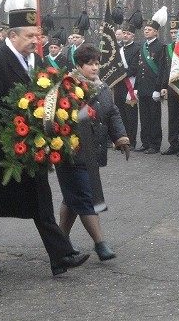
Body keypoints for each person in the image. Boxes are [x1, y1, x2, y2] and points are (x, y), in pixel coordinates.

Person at [0, 0, 88, 276]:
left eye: (37, 36)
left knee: (41, 201)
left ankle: (59, 257)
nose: (35, 41)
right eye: (30, 36)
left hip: (32, 146)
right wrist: (19, 121)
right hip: (5, 149)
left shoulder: (36, 62)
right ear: (12, 36)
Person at [56, 44, 130, 261]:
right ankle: (100, 244)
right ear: (79, 65)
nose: (95, 67)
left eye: (97, 63)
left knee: (72, 199)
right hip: (71, 153)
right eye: (90, 64)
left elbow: (112, 112)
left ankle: (59, 242)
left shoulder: (103, 87)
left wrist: (120, 138)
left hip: (92, 154)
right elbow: (60, 117)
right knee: (87, 198)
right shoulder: (67, 87)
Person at [136, 7, 169, 153]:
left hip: (153, 88)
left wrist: (158, 88)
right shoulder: (143, 47)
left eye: (149, 30)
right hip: (142, 87)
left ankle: (155, 144)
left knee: (154, 117)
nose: (146, 31)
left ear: (156, 32)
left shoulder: (161, 47)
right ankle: (145, 142)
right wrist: (136, 86)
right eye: (145, 29)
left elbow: (162, 69)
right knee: (143, 117)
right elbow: (139, 67)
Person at [115, 11, 142, 151]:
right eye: (123, 33)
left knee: (130, 115)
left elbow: (134, 67)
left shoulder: (137, 48)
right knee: (119, 114)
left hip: (130, 84)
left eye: (128, 34)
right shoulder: (118, 49)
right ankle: (122, 140)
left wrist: (121, 74)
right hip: (119, 85)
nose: (125, 35)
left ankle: (132, 141)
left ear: (133, 36)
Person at [163, 17, 179, 156]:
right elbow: (164, 69)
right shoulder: (167, 48)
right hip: (172, 88)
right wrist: (163, 86)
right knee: (172, 119)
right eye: (172, 32)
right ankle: (173, 144)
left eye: (176, 32)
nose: (173, 35)